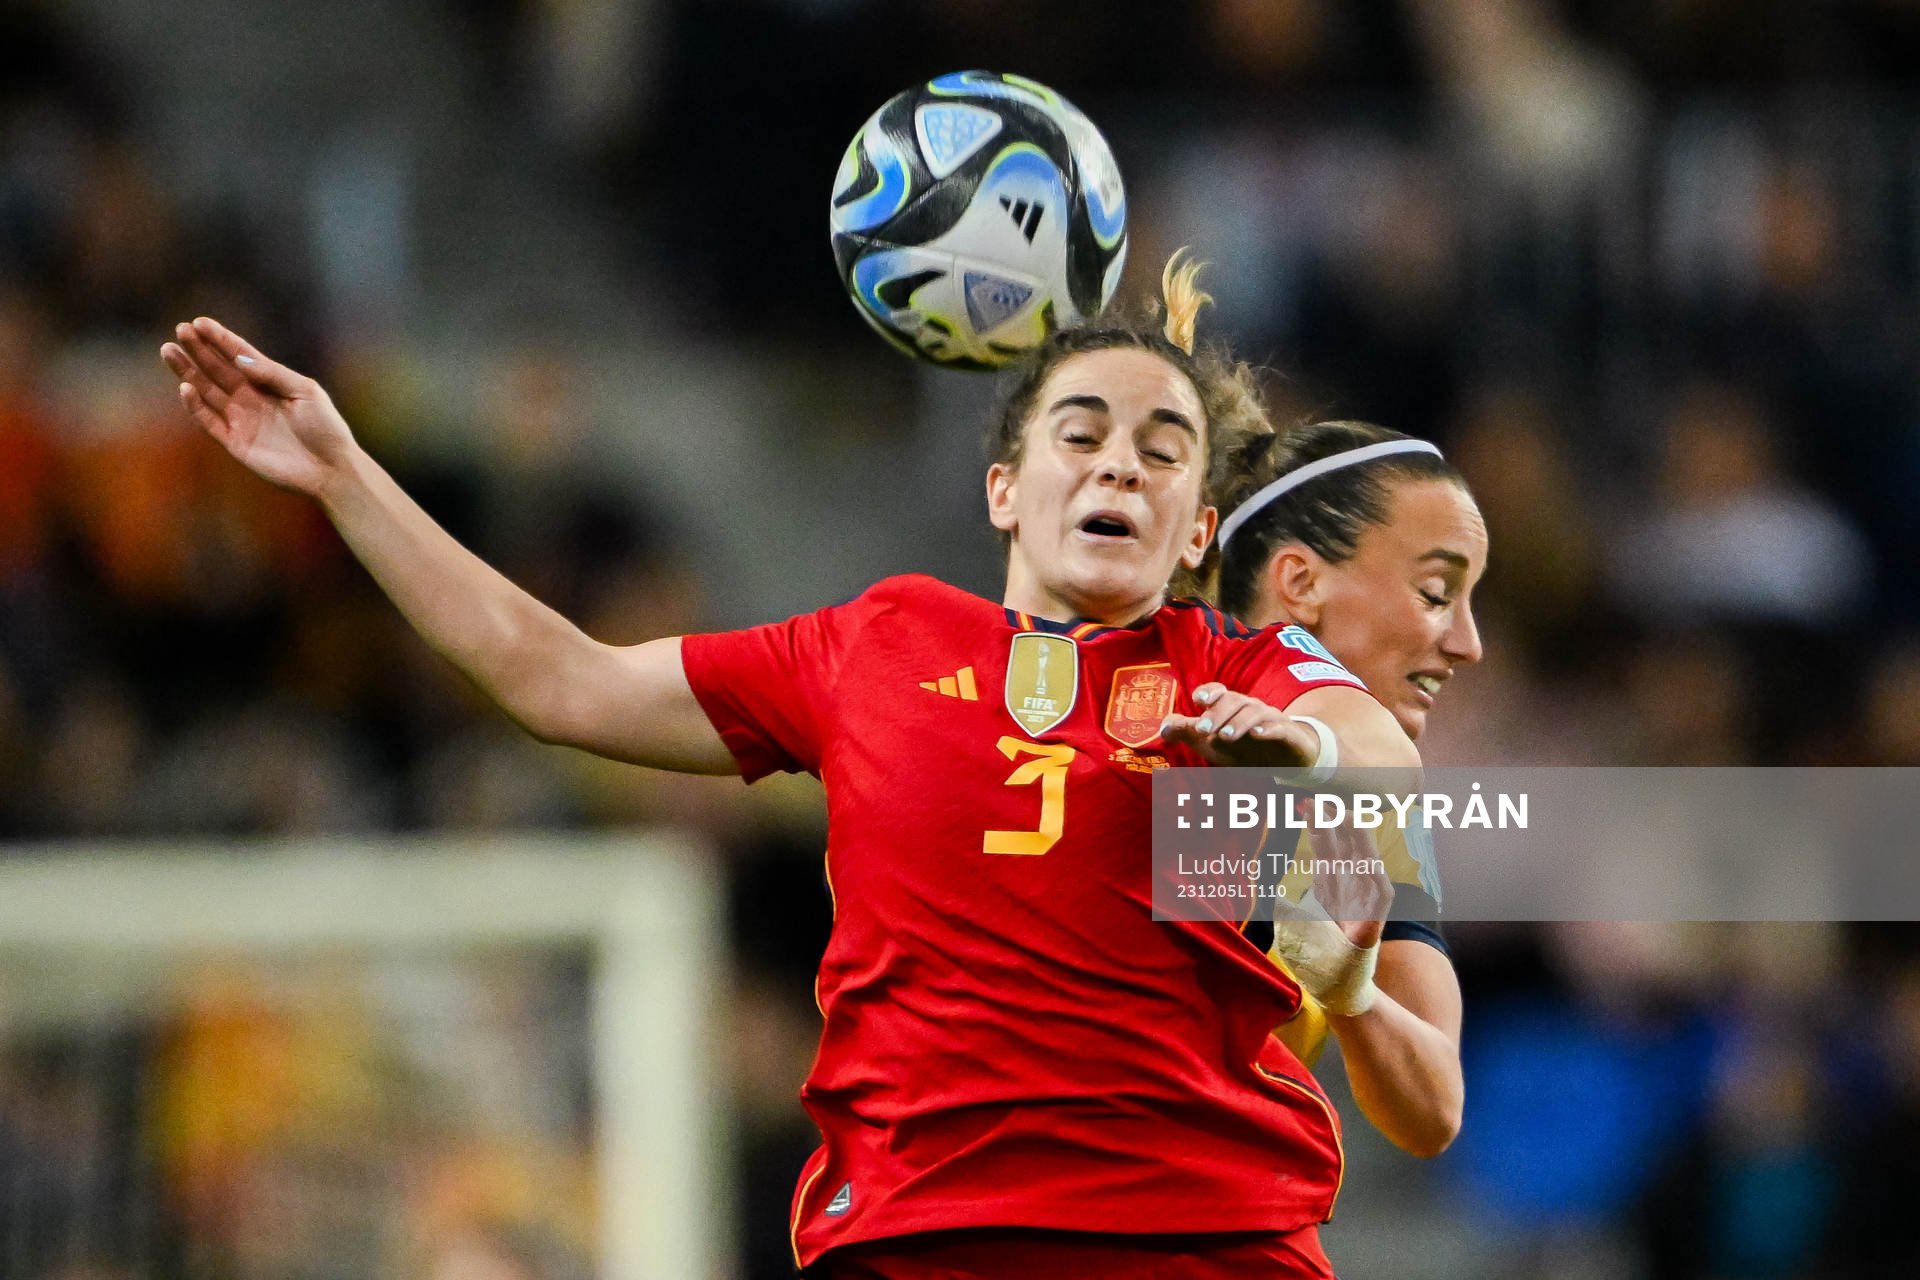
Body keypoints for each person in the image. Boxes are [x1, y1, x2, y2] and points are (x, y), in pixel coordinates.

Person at [159, 260, 1419, 1280]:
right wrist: (341, 472)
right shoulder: (877, 643)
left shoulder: (1237, 669)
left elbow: (1373, 749)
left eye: (1161, 449)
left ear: (1199, 525)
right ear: (1002, 488)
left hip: (1199, 1240)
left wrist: (1299, 764)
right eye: (1079, 432)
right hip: (918, 1240)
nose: (1116, 464)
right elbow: (558, 678)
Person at [1210, 419, 1485, 1161]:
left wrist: (1353, 996)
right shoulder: (1140, 700)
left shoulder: (1369, 806)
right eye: (1435, 592)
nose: (1468, 642)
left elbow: (1433, 1112)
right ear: (1299, 583)